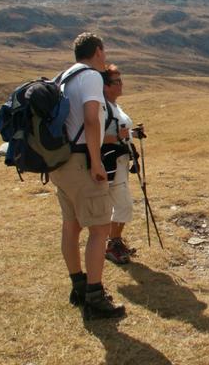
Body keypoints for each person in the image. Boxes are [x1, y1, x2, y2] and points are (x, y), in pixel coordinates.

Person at [49, 32, 125, 320]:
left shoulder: (64, 77)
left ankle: (78, 286)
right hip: (81, 160)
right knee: (99, 228)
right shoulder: (92, 76)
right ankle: (95, 295)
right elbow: (92, 118)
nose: (105, 57)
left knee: (71, 225)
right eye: (104, 52)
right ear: (98, 51)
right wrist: (96, 162)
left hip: (60, 162)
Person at [102, 64, 143, 265]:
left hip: (120, 161)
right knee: (123, 204)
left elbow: (120, 131)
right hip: (111, 162)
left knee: (120, 203)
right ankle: (112, 244)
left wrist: (133, 133)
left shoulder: (113, 105)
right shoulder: (101, 107)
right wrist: (119, 136)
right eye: (116, 81)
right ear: (105, 86)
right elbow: (93, 137)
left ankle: (114, 242)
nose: (121, 84)